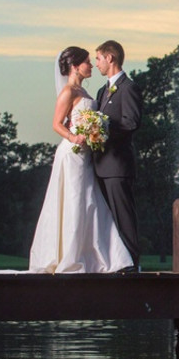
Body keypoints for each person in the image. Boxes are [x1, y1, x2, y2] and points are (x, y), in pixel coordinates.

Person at [28, 46, 134, 273]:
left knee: (89, 202)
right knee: (75, 200)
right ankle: (70, 256)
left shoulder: (88, 93)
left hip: (88, 156)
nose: (92, 65)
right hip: (73, 154)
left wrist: (96, 132)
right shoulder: (68, 91)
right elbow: (56, 123)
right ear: (75, 66)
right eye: (87, 61)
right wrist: (74, 137)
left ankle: (93, 255)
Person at [93, 40, 143, 271]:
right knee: (106, 219)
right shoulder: (102, 91)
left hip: (118, 166)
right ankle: (114, 263)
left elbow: (131, 122)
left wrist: (102, 132)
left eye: (98, 59)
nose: (96, 64)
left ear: (110, 58)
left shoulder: (128, 87)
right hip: (100, 165)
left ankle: (132, 264)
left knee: (124, 217)